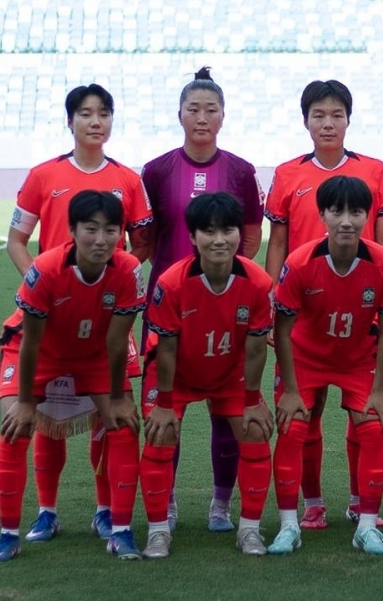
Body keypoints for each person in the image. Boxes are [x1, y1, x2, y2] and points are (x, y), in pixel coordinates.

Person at [6, 83, 153, 543]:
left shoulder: (128, 180)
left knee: (107, 417)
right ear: (69, 121)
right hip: (51, 314)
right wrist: (44, 287)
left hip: (107, 313)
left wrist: (112, 281)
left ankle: (106, 511)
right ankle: (46, 511)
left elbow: (142, 243)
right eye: (86, 113)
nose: (95, 122)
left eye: (104, 113)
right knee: (47, 419)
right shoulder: (43, 175)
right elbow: (16, 241)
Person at [264, 79, 383, 530]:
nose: (327, 123)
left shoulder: (373, 169)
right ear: (305, 120)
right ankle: (314, 502)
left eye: (336, 115)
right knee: (307, 410)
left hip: (359, 305)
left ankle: (361, 501)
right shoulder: (288, 174)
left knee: (364, 413)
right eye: (318, 115)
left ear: (348, 119)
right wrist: (272, 304)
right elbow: (278, 243)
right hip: (304, 308)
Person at [0, 191, 145, 562]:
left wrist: (117, 397)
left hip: (94, 353)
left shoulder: (128, 270)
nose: (101, 239)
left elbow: (117, 341)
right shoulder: (45, 268)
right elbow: (31, 341)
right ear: (72, 230)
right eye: (91, 229)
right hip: (39, 352)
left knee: (123, 424)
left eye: (110, 230)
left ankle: (120, 530)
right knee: (15, 427)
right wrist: (26, 402)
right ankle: (9, 535)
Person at [141, 67, 266, 533]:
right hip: (168, 306)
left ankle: (220, 504)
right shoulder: (156, 171)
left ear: (223, 116)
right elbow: (147, 237)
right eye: (193, 109)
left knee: (226, 410)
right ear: (179, 114)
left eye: (210, 109)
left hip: (225, 307)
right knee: (165, 411)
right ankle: (167, 503)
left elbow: (250, 234)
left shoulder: (241, 171)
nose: (201, 117)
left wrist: (227, 278)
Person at [138, 192, 275, 558]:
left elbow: (256, 348)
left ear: (239, 234)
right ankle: (158, 530)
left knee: (255, 431)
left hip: (229, 373)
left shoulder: (258, 283)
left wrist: (252, 401)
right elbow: (166, 350)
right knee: (161, 434)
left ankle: (249, 529)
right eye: (208, 231)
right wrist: (164, 403)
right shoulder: (171, 283)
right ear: (193, 236)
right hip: (175, 375)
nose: (219, 240)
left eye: (227, 230)